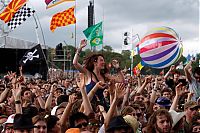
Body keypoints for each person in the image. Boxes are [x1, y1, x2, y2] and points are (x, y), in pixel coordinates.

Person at [73, 39, 124, 105]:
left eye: (103, 60)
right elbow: (75, 63)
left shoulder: (105, 75)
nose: (104, 62)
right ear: (95, 62)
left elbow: (121, 80)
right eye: (101, 60)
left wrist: (118, 69)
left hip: (102, 105)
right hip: (89, 105)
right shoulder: (88, 73)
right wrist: (79, 49)